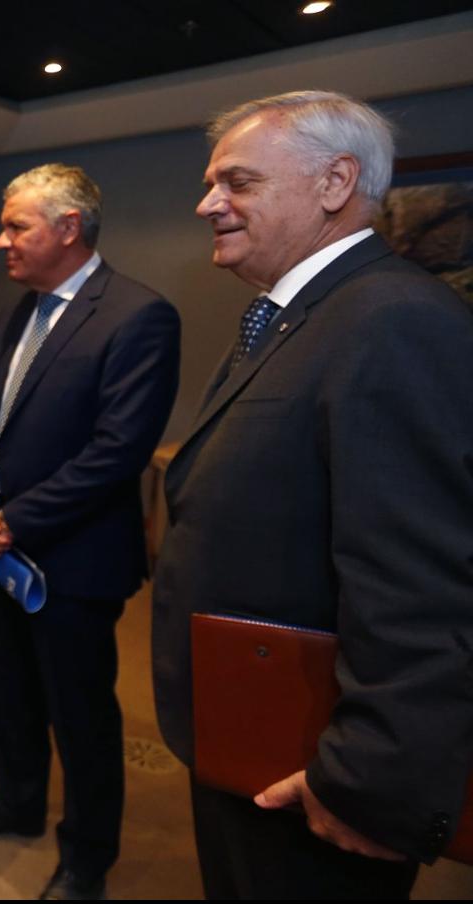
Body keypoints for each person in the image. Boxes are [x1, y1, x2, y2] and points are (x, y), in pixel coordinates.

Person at [152, 90, 473, 898]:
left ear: (335, 183)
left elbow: (423, 584)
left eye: (238, 182)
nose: (207, 204)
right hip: (253, 729)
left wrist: (365, 776)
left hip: (316, 767)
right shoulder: (297, 316)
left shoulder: (394, 320)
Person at [0, 164, 181, 901]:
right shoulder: (22, 308)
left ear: (69, 229)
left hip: (72, 560)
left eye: (17, 227)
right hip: (0, 548)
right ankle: (15, 803)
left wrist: (11, 522)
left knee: (80, 715)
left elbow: (118, 452)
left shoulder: (139, 314)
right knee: (7, 691)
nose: (0, 240)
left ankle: (86, 859)